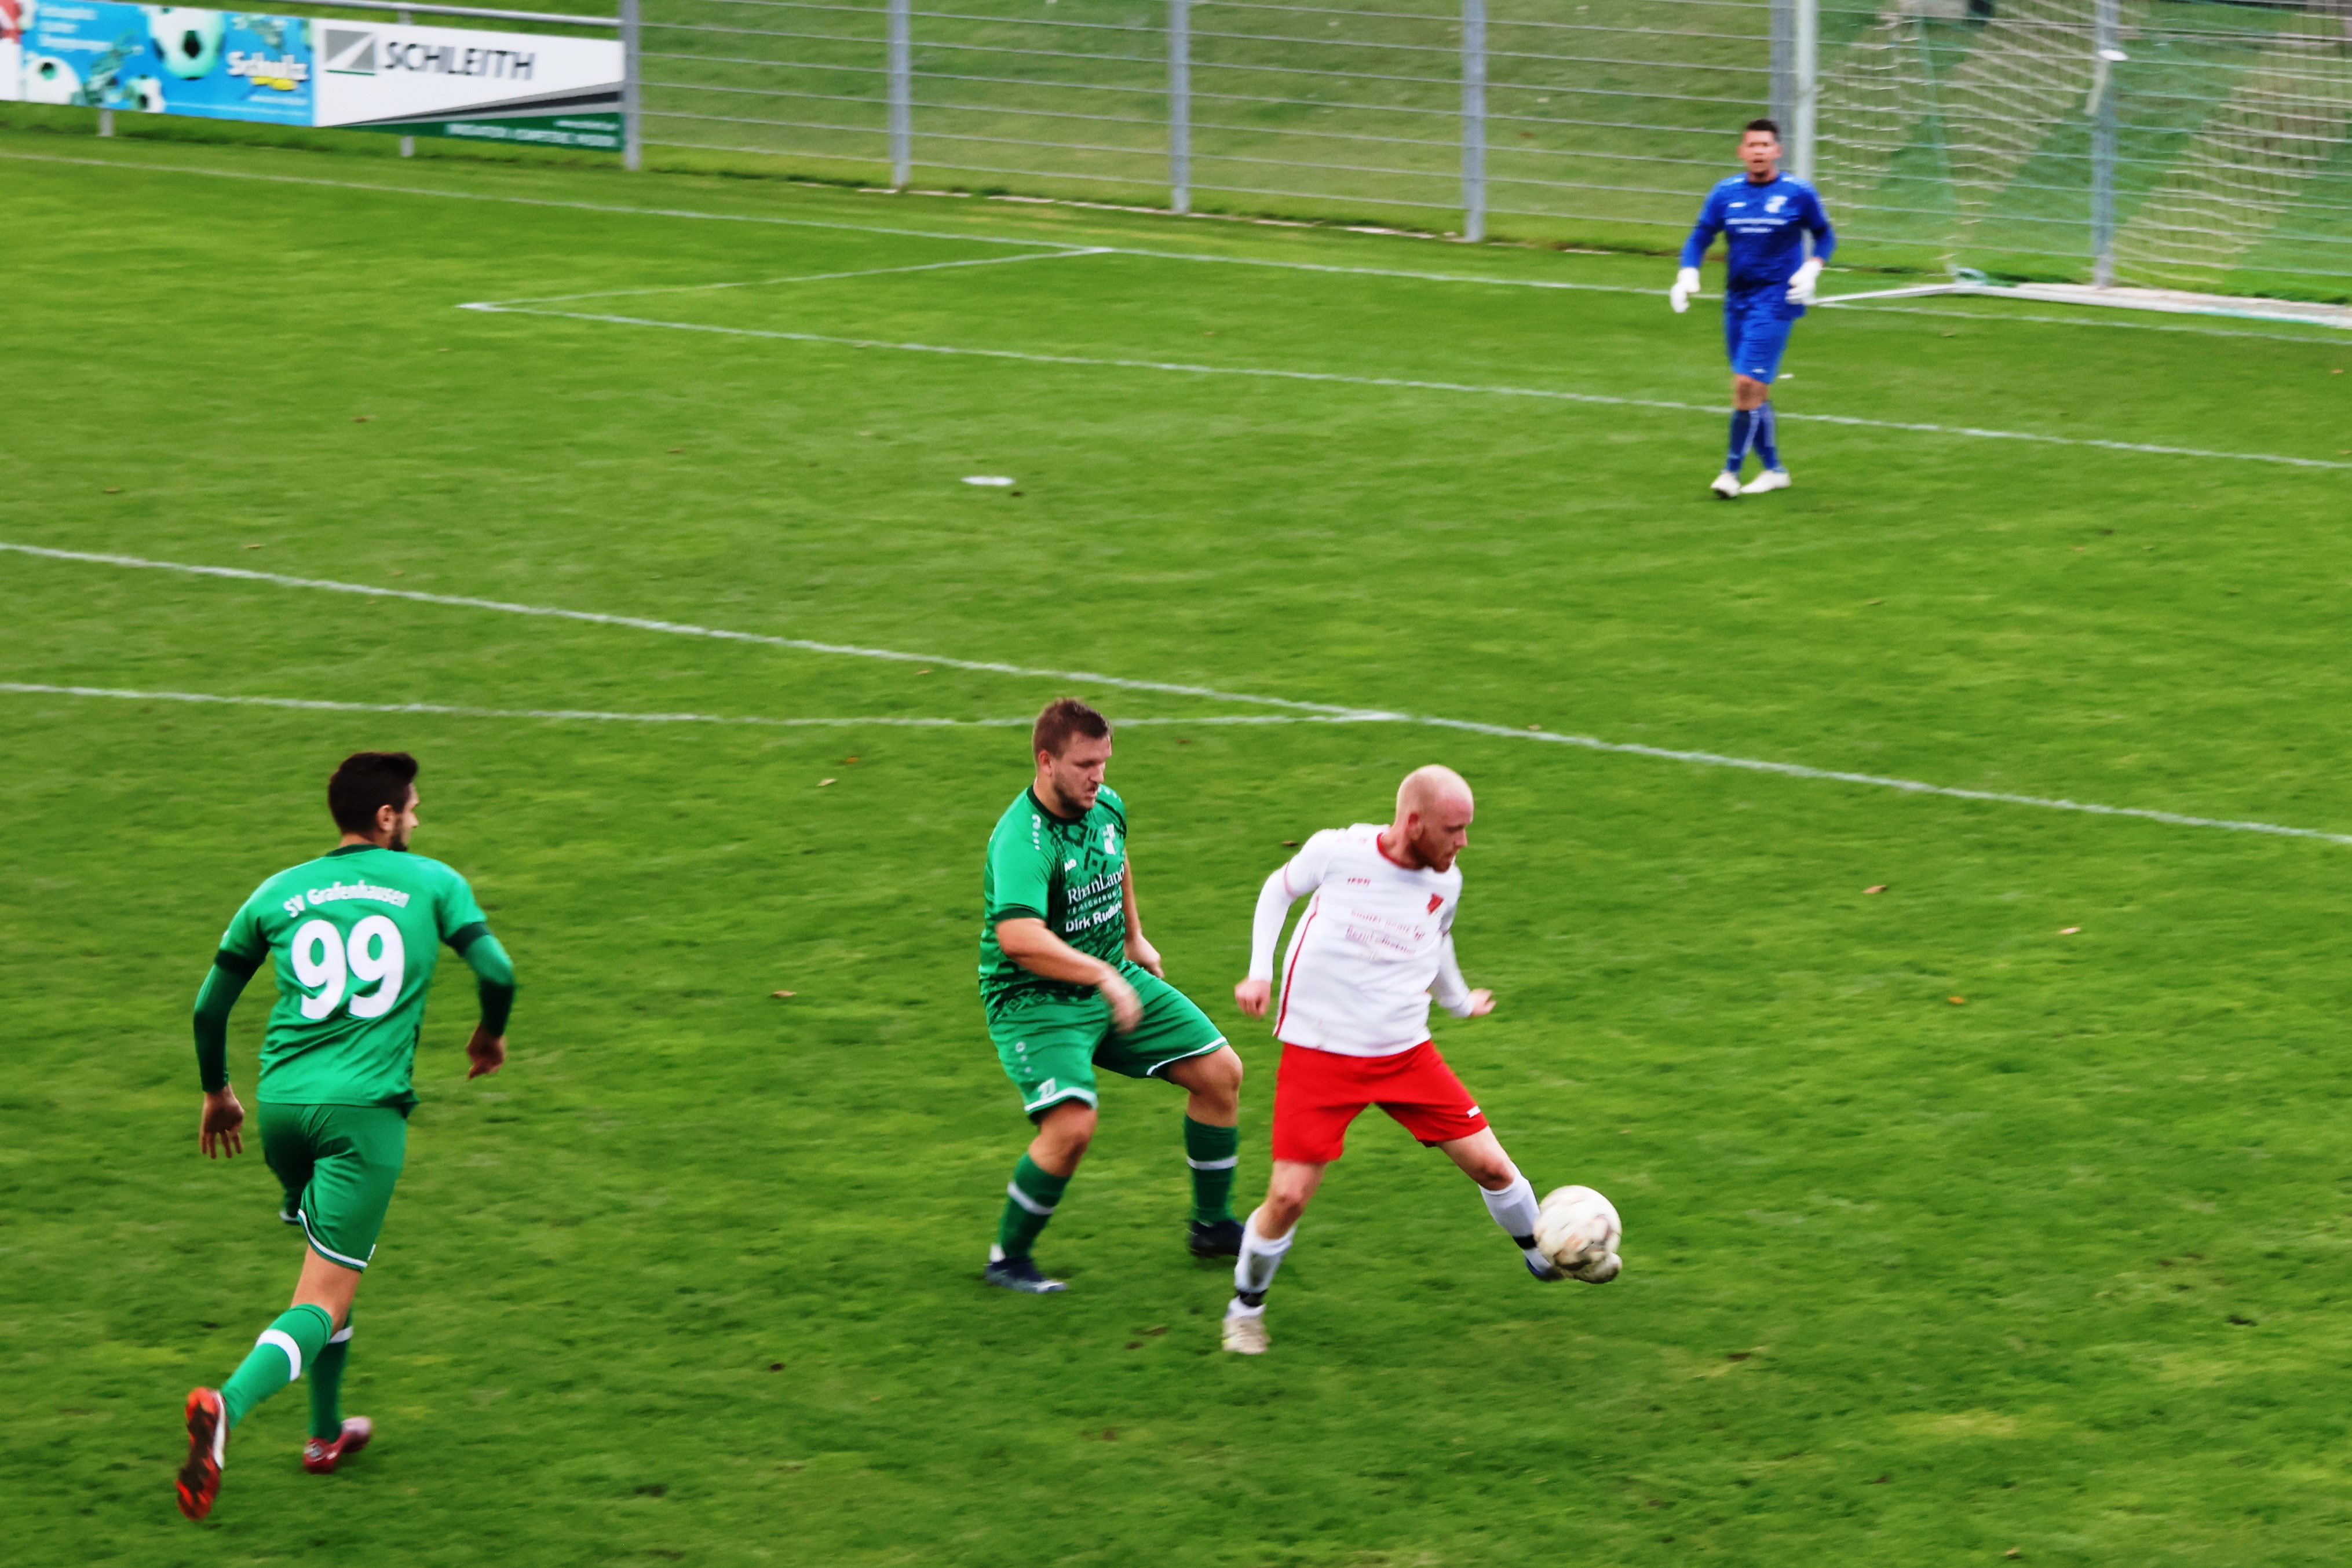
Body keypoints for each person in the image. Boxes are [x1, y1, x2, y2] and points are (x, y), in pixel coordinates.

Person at [175, 752, 516, 1521]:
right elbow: (498, 972)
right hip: (363, 1115)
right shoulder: (433, 881)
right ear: (386, 817)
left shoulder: (278, 890)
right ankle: (225, 1407)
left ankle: (325, 1433)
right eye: (413, 807)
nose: (417, 819)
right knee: (321, 1298)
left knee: (331, 1256)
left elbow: (208, 1007)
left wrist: (217, 1091)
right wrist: (490, 1035)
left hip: (281, 1107)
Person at [1222, 765, 1568, 1355]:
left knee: (1493, 1167)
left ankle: (1549, 1251)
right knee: (1288, 1198)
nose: (1463, 842)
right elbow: (1278, 890)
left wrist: (1458, 1001)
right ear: (1413, 823)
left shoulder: (1447, 879)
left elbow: (1437, 936)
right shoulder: (1338, 851)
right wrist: (1259, 972)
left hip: (1404, 1053)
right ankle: (1244, 1310)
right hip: (1321, 1054)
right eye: (1453, 829)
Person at [977, 698, 1247, 1293]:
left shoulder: (1106, 805)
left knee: (1220, 1073)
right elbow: (1019, 937)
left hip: (1113, 972)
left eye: (1103, 762)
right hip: (1036, 999)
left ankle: (1212, 1225)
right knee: (1072, 1125)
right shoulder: (1022, 840)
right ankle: (1007, 1259)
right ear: (1046, 762)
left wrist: (1133, 936)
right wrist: (1102, 976)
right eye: (1084, 764)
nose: (1097, 776)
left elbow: (1115, 857)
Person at [1671, 117, 1838, 498]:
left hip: (1777, 299)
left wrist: (1812, 268)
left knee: (1745, 383)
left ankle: (1730, 473)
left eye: (1766, 145)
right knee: (1754, 388)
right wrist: (1687, 272)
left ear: (1777, 151)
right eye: (1752, 145)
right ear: (1742, 152)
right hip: (1738, 300)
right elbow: (1701, 235)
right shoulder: (1725, 192)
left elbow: (1825, 235)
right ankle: (1775, 470)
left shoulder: (1798, 192)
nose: (1759, 151)